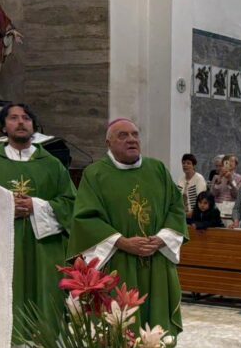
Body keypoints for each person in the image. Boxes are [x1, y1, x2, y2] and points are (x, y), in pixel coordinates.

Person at [68, 119, 188, 333]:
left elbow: (176, 207)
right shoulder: (95, 174)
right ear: (108, 143)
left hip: (156, 259)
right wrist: (122, 242)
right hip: (118, 261)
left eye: (135, 134)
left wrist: (162, 238)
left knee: (157, 327)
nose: (131, 140)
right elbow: (85, 218)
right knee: (119, 328)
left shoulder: (157, 169)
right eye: (123, 136)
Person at [0, 103, 74, 337]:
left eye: (26, 118)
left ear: (33, 126)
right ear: (3, 127)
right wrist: (5, 207)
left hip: (44, 248)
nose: (20, 122)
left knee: (45, 303)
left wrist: (35, 205)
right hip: (3, 245)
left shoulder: (52, 164)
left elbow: (70, 203)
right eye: (14, 118)